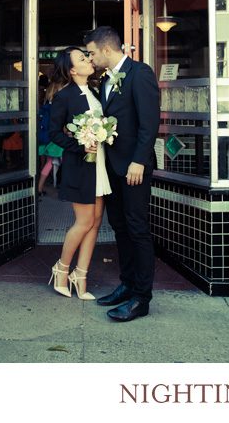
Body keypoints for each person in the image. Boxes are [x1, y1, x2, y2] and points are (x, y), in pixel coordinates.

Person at [84, 26, 160, 322]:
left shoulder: (139, 73)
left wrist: (139, 161)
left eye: (91, 53)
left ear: (106, 49)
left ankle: (142, 298)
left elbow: (149, 122)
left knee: (137, 229)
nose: (89, 59)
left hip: (133, 168)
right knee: (120, 227)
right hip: (113, 166)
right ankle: (127, 284)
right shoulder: (104, 80)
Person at [46, 46, 111, 300]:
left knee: (95, 222)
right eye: (82, 59)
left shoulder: (96, 91)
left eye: (87, 56)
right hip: (80, 166)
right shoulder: (64, 96)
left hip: (100, 163)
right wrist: (79, 145)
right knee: (83, 222)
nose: (88, 60)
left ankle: (80, 275)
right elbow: (53, 133)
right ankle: (61, 268)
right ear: (72, 70)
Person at [37, 72, 64, 196]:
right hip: (57, 141)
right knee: (66, 163)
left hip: (47, 141)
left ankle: (39, 187)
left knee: (49, 163)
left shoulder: (46, 107)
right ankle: (64, 190)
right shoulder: (58, 108)